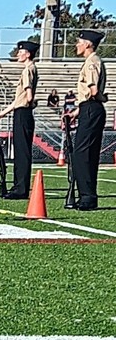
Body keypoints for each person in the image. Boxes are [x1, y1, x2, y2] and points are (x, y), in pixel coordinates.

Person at [0, 40, 39, 200]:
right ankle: (19, 185)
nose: (18, 54)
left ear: (28, 54)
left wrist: (29, 102)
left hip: (23, 112)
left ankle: (21, 188)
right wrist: (1, 114)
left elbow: (27, 95)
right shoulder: (30, 69)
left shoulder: (28, 70)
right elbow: (18, 100)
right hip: (21, 111)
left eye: (20, 51)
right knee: (21, 151)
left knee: (22, 152)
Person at [65, 29, 108, 211]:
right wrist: (77, 111)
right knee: (86, 153)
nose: (77, 45)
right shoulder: (93, 61)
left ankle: (87, 197)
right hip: (88, 109)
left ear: (88, 44)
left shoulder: (91, 63)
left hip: (91, 108)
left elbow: (93, 92)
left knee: (83, 154)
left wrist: (102, 99)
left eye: (79, 41)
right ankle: (87, 196)